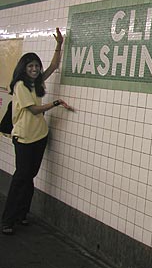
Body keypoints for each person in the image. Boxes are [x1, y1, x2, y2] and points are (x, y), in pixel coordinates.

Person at [1, 28, 74, 235]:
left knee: (30, 176)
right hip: (24, 138)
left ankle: (22, 215)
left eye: (36, 66)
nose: (34, 69)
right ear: (23, 68)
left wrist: (59, 45)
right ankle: (7, 219)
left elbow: (53, 66)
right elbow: (33, 110)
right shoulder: (21, 86)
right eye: (30, 66)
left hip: (40, 137)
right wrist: (56, 103)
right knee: (21, 178)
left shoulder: (36, 82)